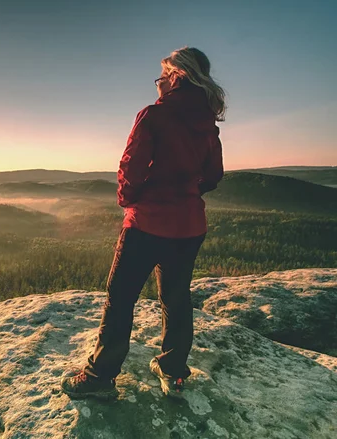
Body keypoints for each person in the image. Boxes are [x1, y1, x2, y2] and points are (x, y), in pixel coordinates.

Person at [61, 47, 226, 399]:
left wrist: (130, 199)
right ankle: (173, 372)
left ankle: (99, 377)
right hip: (190, 227)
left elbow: (131, 168)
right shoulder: (207, 124)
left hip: (147, 224)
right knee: (176, 299)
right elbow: (214, 175)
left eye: (163, 76)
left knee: (120, 298)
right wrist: (186, 192)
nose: (159, 84)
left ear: (177, 76)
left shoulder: (154, 115)